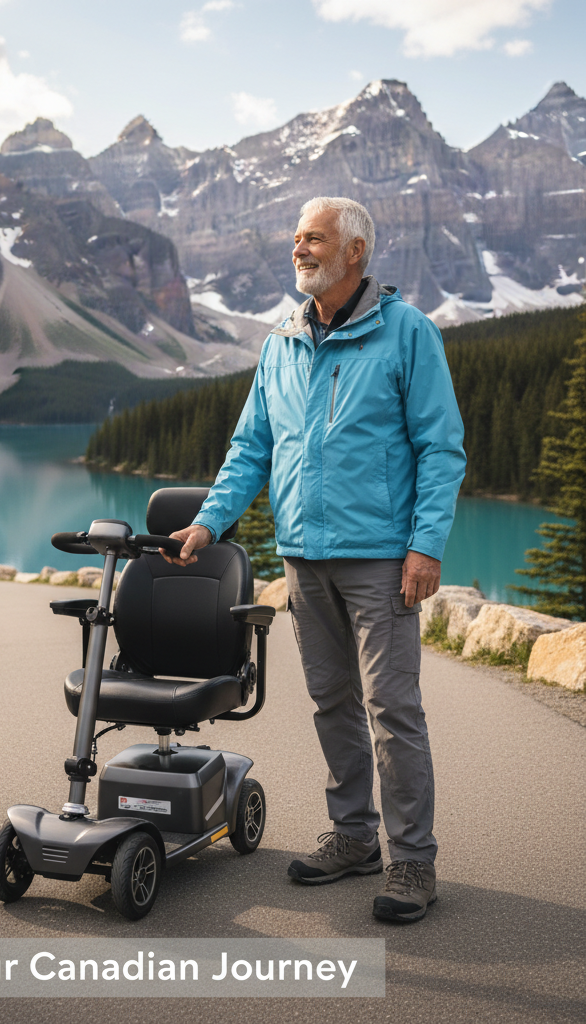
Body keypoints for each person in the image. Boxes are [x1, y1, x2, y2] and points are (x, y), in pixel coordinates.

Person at [164, 196, 465, 923]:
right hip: (303, 558)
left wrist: (425, 545)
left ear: (355, 251)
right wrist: (208, 522)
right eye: (296, 238)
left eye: (315, 239)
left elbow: (440, 447)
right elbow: (251, 449)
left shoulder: (407, 333)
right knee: (332, 703)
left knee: (392, 708)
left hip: (381, 560)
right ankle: (354, 837)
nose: (299, 249)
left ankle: (413, 861)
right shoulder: (283, 342)